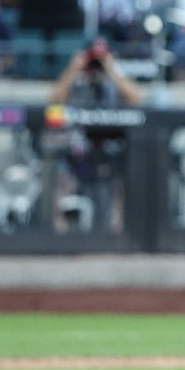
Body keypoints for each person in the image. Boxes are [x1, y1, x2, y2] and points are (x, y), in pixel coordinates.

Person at [48, 37, 143, 233]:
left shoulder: (114, 81)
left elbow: (137, 99)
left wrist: (112, 69)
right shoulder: (77, 80)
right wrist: (74, 68)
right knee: (61, 170)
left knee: (127, 174)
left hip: (110, 150)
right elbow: (53, 102)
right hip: (78, 152)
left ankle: (119, 233)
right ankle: (61, 231)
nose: (96, 64)